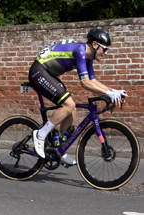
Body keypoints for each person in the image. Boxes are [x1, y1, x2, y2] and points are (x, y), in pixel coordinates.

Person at [29, 28, 126, 163]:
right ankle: (40, 134)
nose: (106, 53)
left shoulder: (88, 57)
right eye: (104, 48)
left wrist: (113, 91)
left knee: (72, 109)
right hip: (39, 71)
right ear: (94, 44)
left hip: (49, 73)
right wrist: (109, 93)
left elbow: (93, 81)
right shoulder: (80, 51)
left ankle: (59, 150)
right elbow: (85, 84)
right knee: (69, 105)